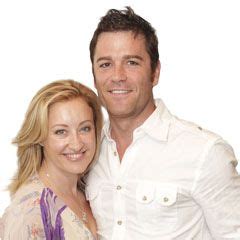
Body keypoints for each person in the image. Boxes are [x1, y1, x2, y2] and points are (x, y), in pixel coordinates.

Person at [86, 6, 240, 240]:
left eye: (132, 62)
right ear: (94, 76)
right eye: (105, 64)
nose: (117, 75)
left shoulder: (204, 153)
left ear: (155, 73)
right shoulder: (85, 152)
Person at [0, 80, 103, 239]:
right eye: (61, 131)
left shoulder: (93, 189)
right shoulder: (31, 212)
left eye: (85, 128)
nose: (76, 144)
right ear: (40, 136)